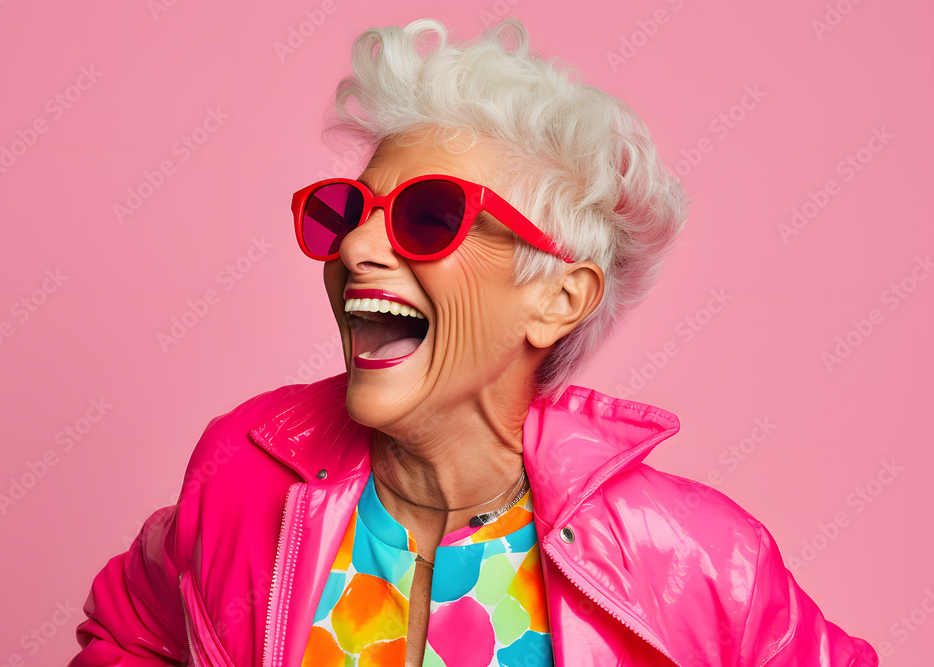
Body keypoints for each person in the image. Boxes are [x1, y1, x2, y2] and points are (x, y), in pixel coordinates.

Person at [69, 18, 878, 667]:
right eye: (349, 212)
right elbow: (129, 632)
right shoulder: (244, 474)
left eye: (428, 216)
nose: (355, 249)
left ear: (559, 298)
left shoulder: (700, 559)